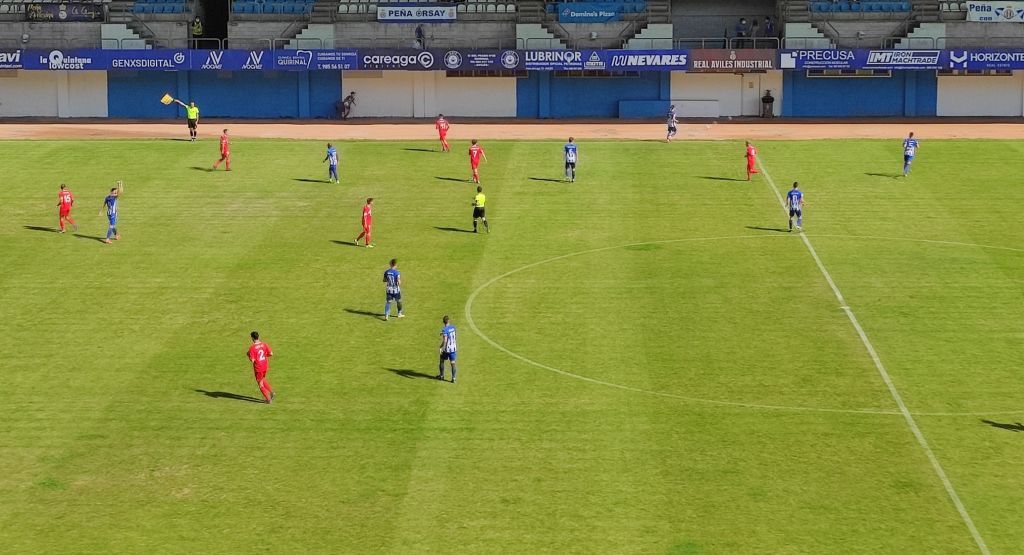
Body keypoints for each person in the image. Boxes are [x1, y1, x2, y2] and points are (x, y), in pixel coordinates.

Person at [246, 331, 275, 404]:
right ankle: (271, 392)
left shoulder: (252, 348)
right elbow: (271, 354)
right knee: (263, 379)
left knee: (260, 384)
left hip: (258, 368)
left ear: (252, 338)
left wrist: (249, 355)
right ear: (258, 336)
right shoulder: (264, 344)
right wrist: (265, 356)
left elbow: (252, 360)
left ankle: (268, 400)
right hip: (265, 366)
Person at [99, 180, 124, 244]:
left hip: (108, 213)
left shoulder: (107, 197)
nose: (116, 193)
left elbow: (104, 204)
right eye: (115, 192)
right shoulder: (114, 197)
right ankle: (107, 239)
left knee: (113, 225)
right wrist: (120, 184)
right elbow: (121, 191)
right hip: (113, 214)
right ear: (112, 192)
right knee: (111, 226)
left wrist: (101, 211)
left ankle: (116, 235)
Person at [437, 315, 457, 383]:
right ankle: (453, 378)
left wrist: (441, 347)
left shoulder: (444, 329)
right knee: (453, 363)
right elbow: (452, 334)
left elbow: (445, 340)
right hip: (453, 348)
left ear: (443, 322)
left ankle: (442, 376)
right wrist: (443, 333)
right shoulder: (453, 327)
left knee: (442, 360)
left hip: (447, 349)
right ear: (449, 320)